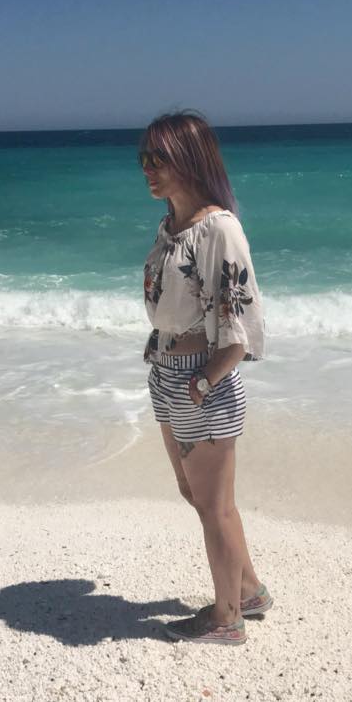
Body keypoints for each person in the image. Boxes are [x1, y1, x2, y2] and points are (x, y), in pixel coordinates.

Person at [140, 110, 272, 646]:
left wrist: (204, 382)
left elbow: (243, 326)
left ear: (189, 159)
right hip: (166, 374)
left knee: (215, 507)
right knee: (196, 496)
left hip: (201, 382)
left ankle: (227, 618)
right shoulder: (170, 228)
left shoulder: (220, 228)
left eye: (159, 158)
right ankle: (249, 591)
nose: (148, 168)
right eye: (144, 158)